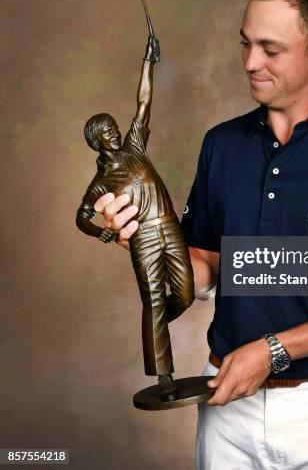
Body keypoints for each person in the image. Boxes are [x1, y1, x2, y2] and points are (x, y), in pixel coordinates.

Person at [94, 0, 308, 468]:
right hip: (225, 403)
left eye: (270, 49)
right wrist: (143, 239)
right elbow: (205, 266)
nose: (249, 62)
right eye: (245, 43)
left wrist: (271, 350)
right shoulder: (221, 144)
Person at [76, 35, 194, 401]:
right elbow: (81, 215)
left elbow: (143, 103)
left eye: (111, 124)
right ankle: (165, 376)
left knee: (185, 294)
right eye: (103, 129)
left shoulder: (135, 146)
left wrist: (149, 61)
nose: (111, 129)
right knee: (154, 301)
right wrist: (100, 233)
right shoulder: (101, 181)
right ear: (96, 141)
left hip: (170, 226)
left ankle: (154, 331)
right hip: (141, 238)